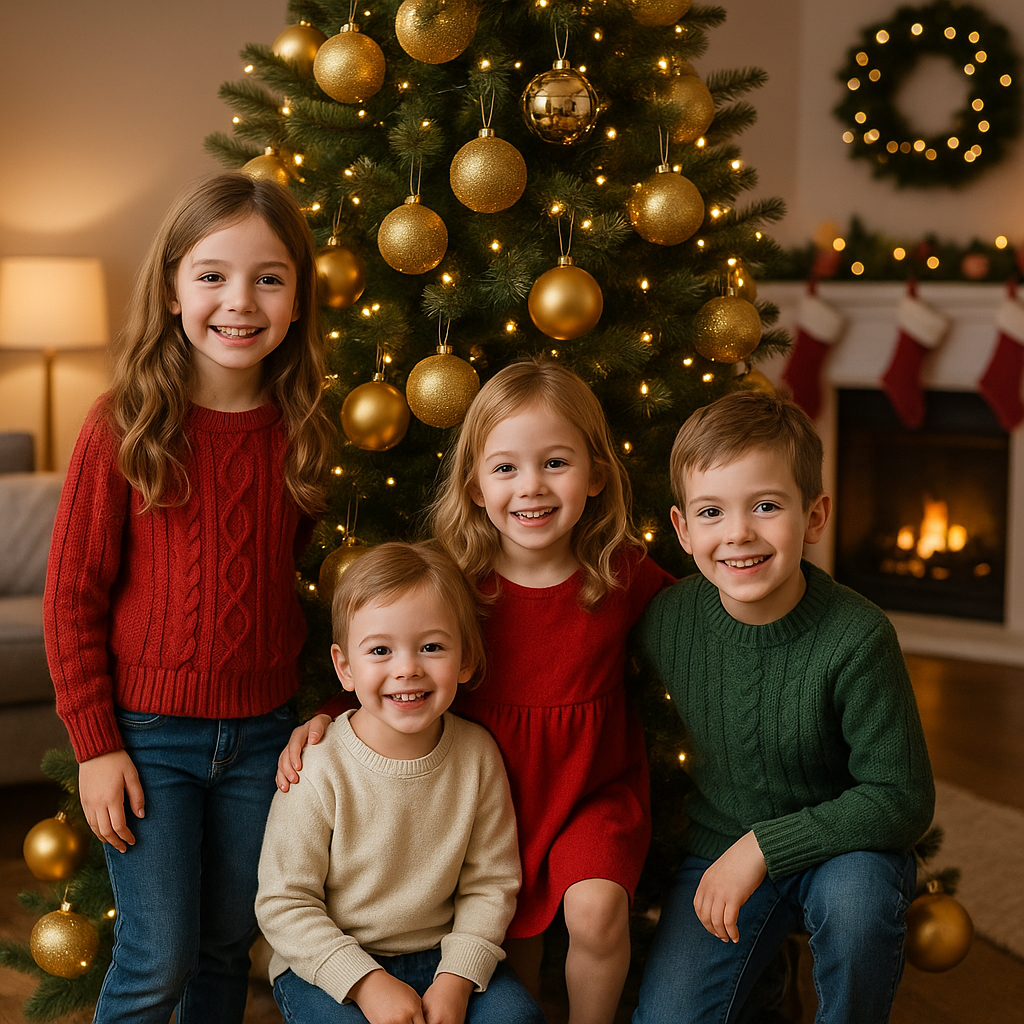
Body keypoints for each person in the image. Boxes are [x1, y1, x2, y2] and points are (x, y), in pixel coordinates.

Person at [280, 360, 673, 1024]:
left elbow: (705, 630)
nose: (532, 488)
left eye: (556, 464)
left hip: (591, 787)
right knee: (501, 966)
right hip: (481, 797)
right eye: (506, 469)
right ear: (475, 485)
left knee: (597, 909)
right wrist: (328, 715)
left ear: (596, 474)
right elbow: (392, 658)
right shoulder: (455, 576)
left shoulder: (620, 571)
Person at [43, 172, 334, 1023]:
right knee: (156, 954)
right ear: (171, 289)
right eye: (212, 275)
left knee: (222, 948)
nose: (239, 302)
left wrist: (318, 709)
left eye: (268, 278)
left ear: (296, 298)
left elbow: (293, 580)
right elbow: (71, 601)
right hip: (147, 741)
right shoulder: (122, 426)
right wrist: (97, 745)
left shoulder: (302, 427)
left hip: (262, 741)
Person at [632, 390, 936, 1024]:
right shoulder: (668, 621)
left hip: (847, 853)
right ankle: (766, 985)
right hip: (719, 849)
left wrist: (763, 847)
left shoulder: (857, 636)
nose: (738, 533)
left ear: (815, 516)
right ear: (683, 530)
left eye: (766, 506)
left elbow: (901, 796)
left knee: (856, 909)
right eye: (711, 512)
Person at [256, 541, 545, 1024]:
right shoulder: (319, 765)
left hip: (441, 955)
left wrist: (454, 980)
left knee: (518, 1019)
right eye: (380, 650)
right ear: (345, 667)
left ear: (466, 659)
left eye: (431, 647)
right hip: (327, 963)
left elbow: (491, 884)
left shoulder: (476, 755)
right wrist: (367, 984)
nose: (407, 668)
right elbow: (285, 902)